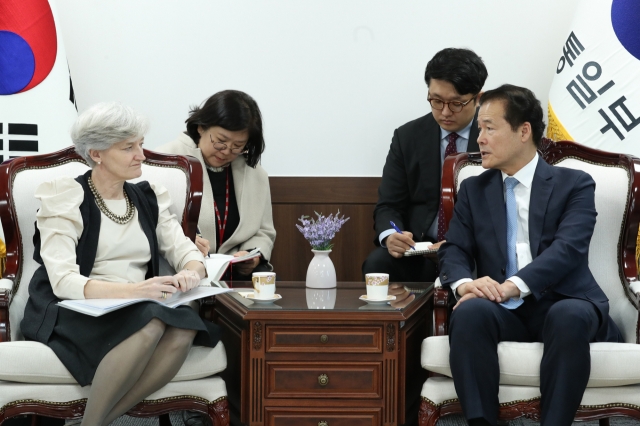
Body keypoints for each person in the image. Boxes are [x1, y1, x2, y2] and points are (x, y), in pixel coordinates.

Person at [20, 103, 219, 426]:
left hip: (140, 304)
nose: (141, 155)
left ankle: (93, 423)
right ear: (96, 154)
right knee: (152, 323)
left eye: (140, 144)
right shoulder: (66, 196)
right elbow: (64, 282)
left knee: (183, 328)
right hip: (76, 308)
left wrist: (190, 273)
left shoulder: (147, 197)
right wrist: (137, 290)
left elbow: (187, 252)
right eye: (129, 147)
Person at [439, 84, 623, 426]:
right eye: (480, 128)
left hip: (565, 301)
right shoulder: (474, 188)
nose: (479, 138)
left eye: (489, 128)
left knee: (567, 315)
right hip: (503, 310)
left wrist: (513, 285)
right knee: (469, 314)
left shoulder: (574, 184)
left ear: (523, 131)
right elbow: (455, 248)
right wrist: (465, 285)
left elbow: (568, 249)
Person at [362, 48, 488, 282]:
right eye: (436, 101)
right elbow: (389, 205)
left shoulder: (493, 136)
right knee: (378, 264)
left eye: (456, 104)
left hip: (477, 250)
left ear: (478, 98)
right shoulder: (408, 137)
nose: (445, 112)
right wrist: (392, 235)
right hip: (422, 251)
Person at [156, 90, 276, 280]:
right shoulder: (165, 162)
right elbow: (149, 226)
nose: (227, 151)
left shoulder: (254, 173)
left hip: (234, 278)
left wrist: (251, 255)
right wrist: (182, 243)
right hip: (182, 276)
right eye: (220, 142)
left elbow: (264, 231)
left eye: (238, 146)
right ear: (201, 127)